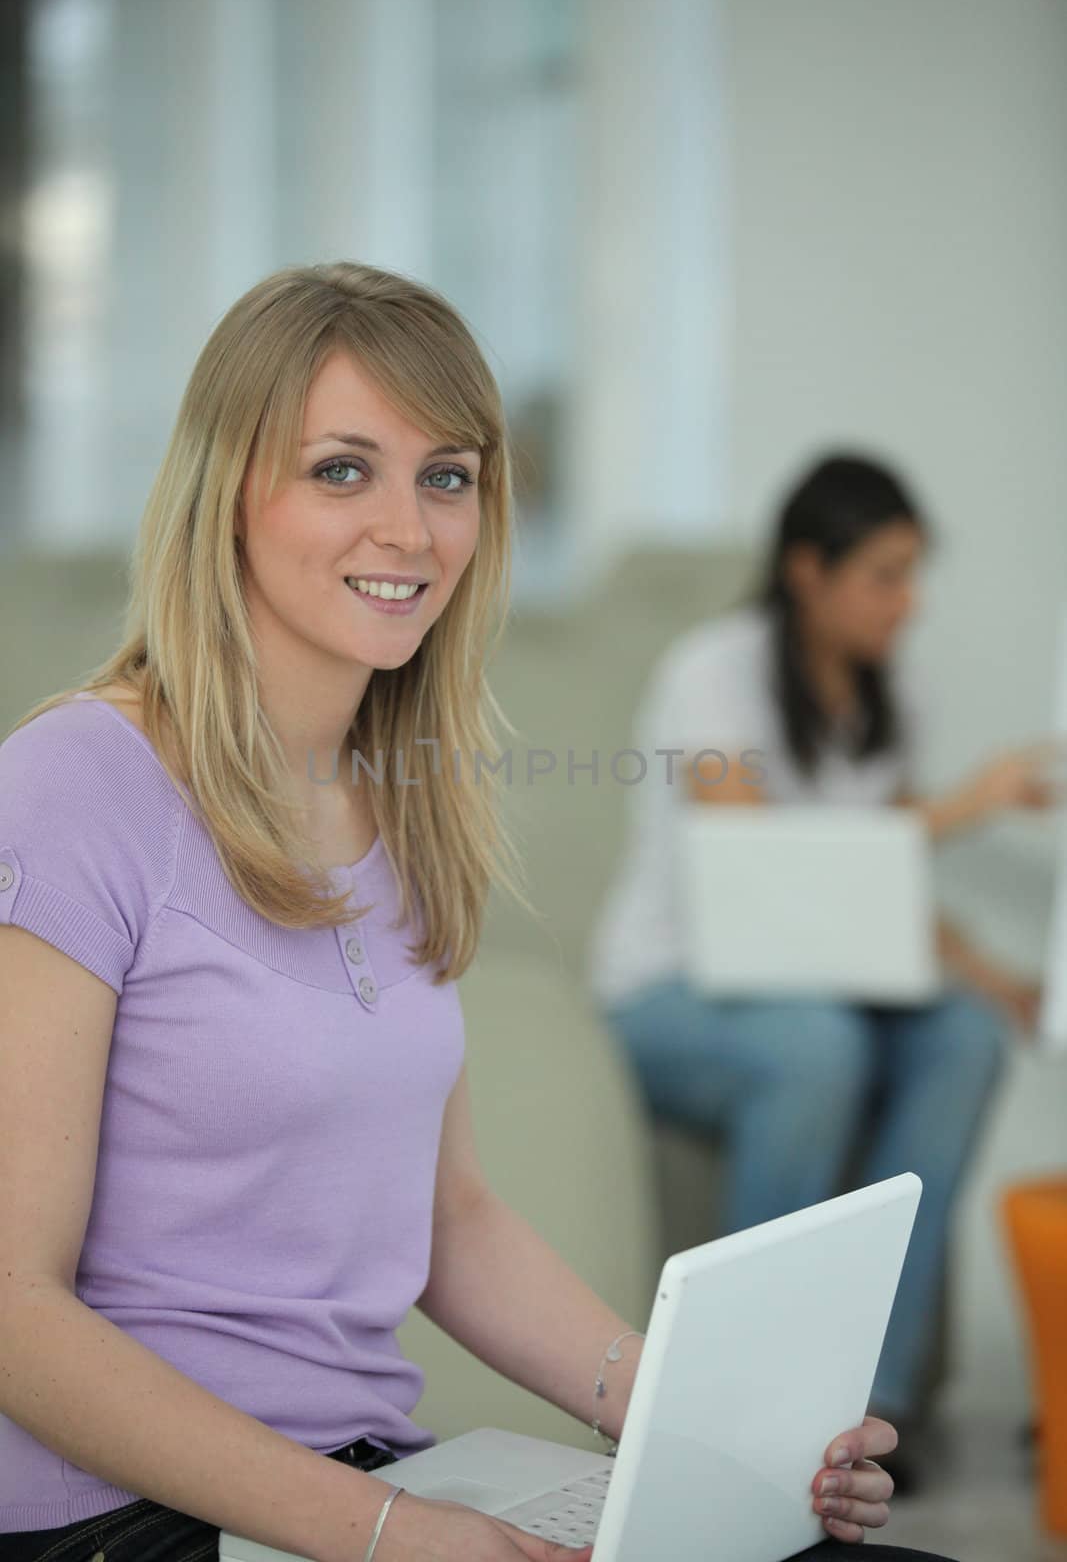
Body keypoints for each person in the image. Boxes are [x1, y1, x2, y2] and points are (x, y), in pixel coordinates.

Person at [0, 267, 960, 1562]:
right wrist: (394, 1532)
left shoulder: (392, 802)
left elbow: (450, 1223)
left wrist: (694, 1432)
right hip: (131, 1523)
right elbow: (12, 1309)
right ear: (227, 491)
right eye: (343, 469)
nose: (408, 528)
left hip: (362, 1485)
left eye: (445, 476)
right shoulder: (74, 782)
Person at [587, 452, 1060, 1499]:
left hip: (819, 993)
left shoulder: (895, 696)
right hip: (672, 994)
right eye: (885, 575)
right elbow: (764, 871)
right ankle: (737, 1409)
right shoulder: (710, 671)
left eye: (912, 574)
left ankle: (867, 1416)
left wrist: (994, 980)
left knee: (961, 1036)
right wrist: (965, 804)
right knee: (816, 1043)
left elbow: (875, 902)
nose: (908, 601)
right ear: (807, 569)